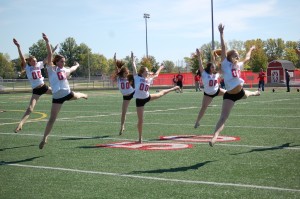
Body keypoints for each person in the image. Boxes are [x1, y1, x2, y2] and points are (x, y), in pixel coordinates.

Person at [209, 24, 260, 147]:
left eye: (238, 54)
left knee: (247, 94)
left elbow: (247, 58)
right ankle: (214, 136)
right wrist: (221, 33)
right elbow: (223, 47)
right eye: (235, 54)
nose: (237, 56)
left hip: (240, 92)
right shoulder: (225, 63)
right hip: (230, 96)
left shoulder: (239, 64)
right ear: (229, 56)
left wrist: (251, 49)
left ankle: (255, 93)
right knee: (223, 117)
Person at [39, 33, 88, 149]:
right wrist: (47, 42)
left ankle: (83, 94)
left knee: (77, 96)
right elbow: (50, 54)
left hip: (67, 93)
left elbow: (72, 68)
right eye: (61, 61)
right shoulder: (51, 69)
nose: (63, 63)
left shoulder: (65, 70)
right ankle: (44, 138)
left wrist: (77, 65)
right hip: (57, 97)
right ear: (56, 62)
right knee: (52, 118)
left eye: (64, 61)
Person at [12, 38, 58, 133]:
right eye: (33, 61)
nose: (35, 62)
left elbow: (48, 56)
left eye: (36, 60)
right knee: (30, 108)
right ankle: (20, 124)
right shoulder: (27, 68)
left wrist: (52, 49)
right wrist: (18, 46)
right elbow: (21, 57)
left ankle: (76, 96)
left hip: (44, 87)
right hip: (36, 91)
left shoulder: (39, 64)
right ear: (29, 62)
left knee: (60, 93)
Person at [132, 54, 179, 143]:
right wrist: (133, 60)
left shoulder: (148, 79)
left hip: (147, 97)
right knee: (141, 120)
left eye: (148, 71)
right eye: (146, 71)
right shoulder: (137, 77)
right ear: (142, 72)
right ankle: (140, 137)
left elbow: (156, 75)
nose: (148, 72)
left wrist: (160, 67)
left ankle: (173, 88)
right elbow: (134, 68)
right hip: (139, 101)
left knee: (161, 93)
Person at [194, 48, 226, 128]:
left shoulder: (216, 74)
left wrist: (218, 57)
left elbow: (219, 67)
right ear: (209, 68)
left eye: (214, 67)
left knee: (230, 93)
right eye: (212, 67)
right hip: (208, 94)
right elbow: (200, 64)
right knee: (203, 107)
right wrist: (199, 55)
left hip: (217, 91)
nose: (213, 68)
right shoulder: (204, 74)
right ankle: (197, 121)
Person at [114, 52, 135, 135]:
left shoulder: (129, 77)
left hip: (133, 92)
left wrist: (132, 59)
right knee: (123, 113)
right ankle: (122, 126)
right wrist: (115, 60)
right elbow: (116, 68)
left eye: (128, 73)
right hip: (126, 97)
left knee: (144, 98)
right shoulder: (119, 77)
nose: (127, 74)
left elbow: (134, 69)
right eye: (126, 73)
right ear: (122, 73)